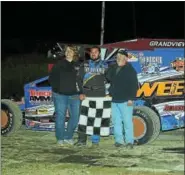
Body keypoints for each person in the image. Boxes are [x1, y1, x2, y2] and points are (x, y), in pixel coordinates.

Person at [75, 46, 108, 147]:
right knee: (83, 118)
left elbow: (110, 79)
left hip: (100, 95)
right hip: (86, 95)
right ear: (89, 54)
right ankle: (81, 140)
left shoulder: (105, 65)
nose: (93, 54)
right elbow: (78, 80)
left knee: (97, 118)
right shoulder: (84, 65)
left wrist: (108, 92)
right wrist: (80, 92)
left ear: (99, 53)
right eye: (92, 52)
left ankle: (95, 141)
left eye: (96, 52)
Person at [49, 45, 82, 146]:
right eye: (67, 51)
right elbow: (51, 78)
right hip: (60, 95)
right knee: (60, 117)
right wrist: (57, 89)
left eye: (71, 51)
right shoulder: (59, 64)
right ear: (65, 52)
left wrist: (81, 92)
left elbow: (81, 80)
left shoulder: (78, 65)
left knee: (75, 117)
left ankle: (68, 137)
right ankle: (60, 138)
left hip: (75, 96)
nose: (68, 53)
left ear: (74, 53)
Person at [106, 50, 139, 149]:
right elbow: (108, 77)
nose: (118, 58)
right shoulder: (114, 67)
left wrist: (131, 99)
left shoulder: (130, 69)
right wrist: (111, 67)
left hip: (126, 100)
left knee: (127, 122)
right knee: (116, 121)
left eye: (121, 56)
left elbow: (134, 85)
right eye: (117, 56)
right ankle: (119, 141)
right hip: (115, 99)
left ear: (125, 58)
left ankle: (129, 142)